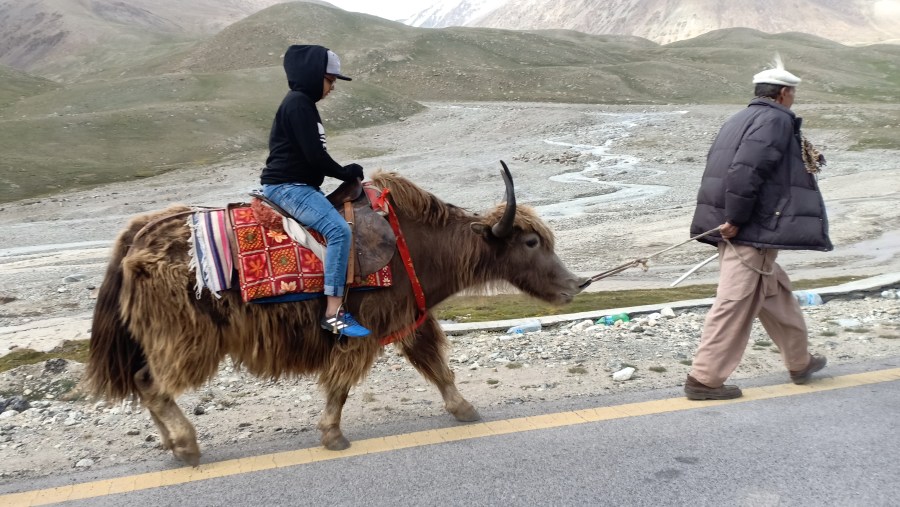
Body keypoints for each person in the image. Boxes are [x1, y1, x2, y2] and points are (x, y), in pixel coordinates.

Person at [684, 54, 831, 400]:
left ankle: (800, 362)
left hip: (743, 226)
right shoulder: (776, 121)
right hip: (749, 230)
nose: (793, 99)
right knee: (734, 301)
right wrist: (735, 219)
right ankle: (704, 379)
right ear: (783, 94)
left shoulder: (741, 117)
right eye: (792, 93)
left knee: (776, 294)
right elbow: (745, 172)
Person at [260, 44, 370, 338]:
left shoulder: (301, 104)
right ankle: (334, 312)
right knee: (339, 231)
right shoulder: (299, 104)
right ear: (312, 75)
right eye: (330, 80)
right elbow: (314, 156)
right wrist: (346, 172)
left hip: (296, 185)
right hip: (289, 187)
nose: (332, 87)